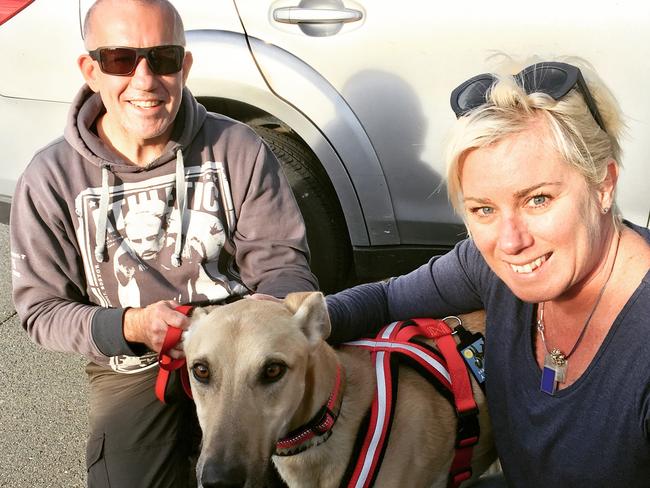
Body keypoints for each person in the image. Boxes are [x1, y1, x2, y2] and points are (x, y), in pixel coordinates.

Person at [9, 0, 317, 486]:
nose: (145, 78)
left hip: (240, 352)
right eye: (119, 59)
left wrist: (270, 311)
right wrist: (132, 325)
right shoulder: (49, 179)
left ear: (185, 66)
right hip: (132, 365)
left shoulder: (239, 148)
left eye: (164, 57)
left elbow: (282, 263)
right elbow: (40, 311)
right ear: (90, 70)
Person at [325, 58, 650, 487]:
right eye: (484, 210)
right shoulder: (488, 268)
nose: (510, 241)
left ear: (603, 184)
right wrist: (283, 320)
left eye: (538, 200)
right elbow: (386, 298)